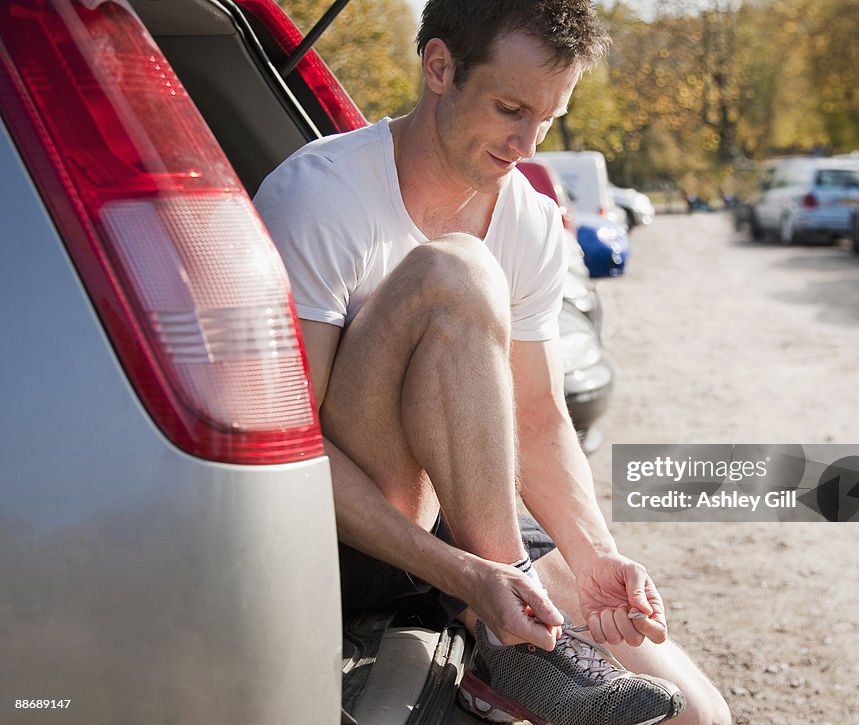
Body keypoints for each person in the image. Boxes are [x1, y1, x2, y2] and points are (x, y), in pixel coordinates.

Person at [255, 1, 730, 723]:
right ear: (439, 67)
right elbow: (290, 451)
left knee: (697, 715)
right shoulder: (320, 195)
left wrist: (596, 555)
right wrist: (466, 574)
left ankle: (505, 639)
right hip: (350, 534)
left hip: (471, 518)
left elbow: (539, 419)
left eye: (547, 117)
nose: (526, 141)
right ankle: (509, 655)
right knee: (459, 272)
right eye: (510, 107)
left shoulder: (531, 219)